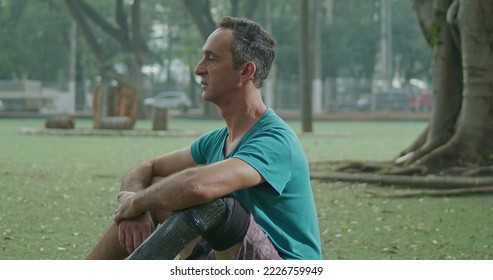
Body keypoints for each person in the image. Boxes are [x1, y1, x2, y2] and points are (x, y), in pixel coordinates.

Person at [85, 16, 321, 260]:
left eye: (212, 58)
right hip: (229, 258)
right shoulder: (217, 140)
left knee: (214, 206)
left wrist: (137, 203)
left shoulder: (275, 140)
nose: (199, 69)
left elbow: (196, 186)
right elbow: (146, 167)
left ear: (245, 71)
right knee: (158, 188)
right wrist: (135, 206)